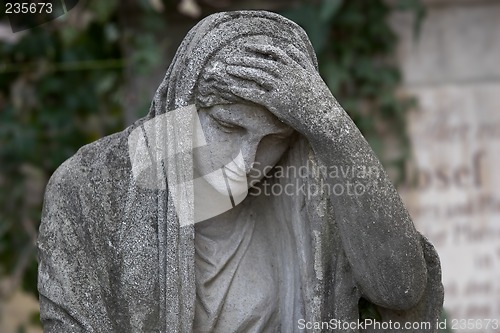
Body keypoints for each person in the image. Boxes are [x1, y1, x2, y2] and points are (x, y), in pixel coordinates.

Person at [38, 10, 443, 333]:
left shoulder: (308, 195)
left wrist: (329, 125)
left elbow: (401, 291)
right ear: (185, 111)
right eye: (230, 128)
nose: (247, 162)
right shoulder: (92, 188)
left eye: (275, 140)